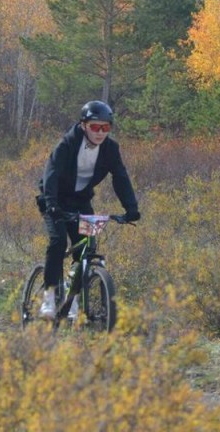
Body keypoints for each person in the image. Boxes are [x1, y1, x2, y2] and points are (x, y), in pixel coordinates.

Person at [35, 100, 140, 319]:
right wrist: (52, 204)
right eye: (95, 127)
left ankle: (72, 299)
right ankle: (49, 298)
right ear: (83, 125)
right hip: (53, 199)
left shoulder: (110, 149)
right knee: (58, 242)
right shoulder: (67, 144)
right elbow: (51, 173)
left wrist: (131, 208)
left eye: (106, 127)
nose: (100, 132)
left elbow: (120, 176)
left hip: (81, 201)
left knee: (86, 248)